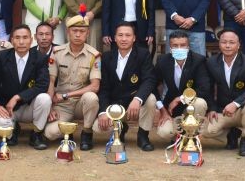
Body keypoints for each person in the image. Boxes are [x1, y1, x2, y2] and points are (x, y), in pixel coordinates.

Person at [93, 22, 157, 151]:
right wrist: (103, 112)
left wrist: (138, 99)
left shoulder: (143, 55)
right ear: (115, 38)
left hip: (134, 104)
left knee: (150, 99)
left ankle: (143, 135)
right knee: (98, 128)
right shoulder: (106, 58)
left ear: (134, 38)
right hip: (115, 106)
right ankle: (120, 128)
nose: (123, 39)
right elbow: (103, 88)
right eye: (120, 35)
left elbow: (149, 80)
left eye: (128, 35)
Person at [43, 15, 101, 150]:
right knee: (51, 133)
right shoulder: (57, 52)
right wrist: (50, 106)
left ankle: (87, 132)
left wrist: (67, 95)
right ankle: (68, 131)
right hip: (61, 104)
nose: (78, 34)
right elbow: (51, 81)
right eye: (74, 31)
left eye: (82, 31)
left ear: (88, 33)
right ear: (68, 32)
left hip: (81, 102)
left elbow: (95, 86)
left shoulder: (94, 55)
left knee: (92, 97)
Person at [0, 25, 51, 150]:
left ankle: (36, 134)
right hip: (8, 108)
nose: (21, 42)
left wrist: (18, 97)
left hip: (30, 106)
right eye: (17, 38)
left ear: (32, 39)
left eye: (25, 37)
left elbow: (42, 85)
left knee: (44, 98)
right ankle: (12, 133)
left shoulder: (40, 58)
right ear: (12, 40)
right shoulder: (2, 57)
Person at [202, 29, 245, 156]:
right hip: (222, 110)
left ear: (238, 45)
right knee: (205, 131)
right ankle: (231, 135)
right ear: (219, 44)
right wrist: (211, 108)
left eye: (231, 42)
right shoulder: (211, 62)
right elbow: (208, 88)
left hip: (242, 109)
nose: (227, 45)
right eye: (224, 42)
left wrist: (236, 104)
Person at [153, 30, 211, 141]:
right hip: (171, 109)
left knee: (200, 103)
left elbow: (204, 88)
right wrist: (162, 110)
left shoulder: (198, 61)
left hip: (191, 106)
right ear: (170, 47)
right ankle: (178, 135)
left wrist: (181, 99)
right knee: (165, 133)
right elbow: (152, 85)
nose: (179, 48)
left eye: (183, 45)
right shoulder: (162, 61)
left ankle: (190, 136)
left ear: (188, 46)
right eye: (175, 45)